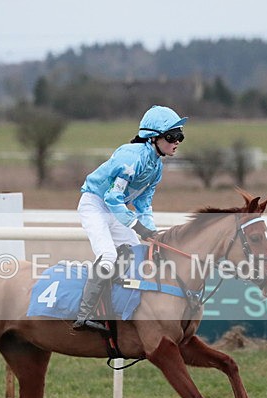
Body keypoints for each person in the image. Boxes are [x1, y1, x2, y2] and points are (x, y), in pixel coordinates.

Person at [72, 105, 187, 331]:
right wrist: (137, 226)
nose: (177, 142)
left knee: (135, 252)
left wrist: (152, 231)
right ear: (153, 137)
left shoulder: (156, 166)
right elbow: (112, 197)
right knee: (108, 255)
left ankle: (118, 305)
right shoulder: (132, 157)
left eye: (180, 136)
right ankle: (84, 314)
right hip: (95, 204)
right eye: (172, 136)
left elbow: (143, 203)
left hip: (115, 209)